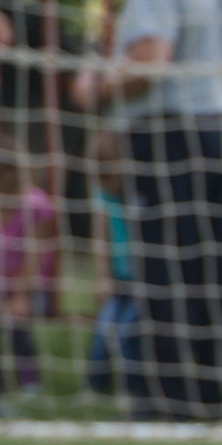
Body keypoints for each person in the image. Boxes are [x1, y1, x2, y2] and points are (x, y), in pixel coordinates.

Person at [71, 0, 222, 419]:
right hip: (212, 127)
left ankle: (166, 398)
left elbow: (151, 61)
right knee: (203, 268)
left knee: (163, 270)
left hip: (169, 136)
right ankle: (207, 393)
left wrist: (96, 89)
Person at [86, 129, 140, 397]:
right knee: (105, 328)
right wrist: (103, 277)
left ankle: (132, 387)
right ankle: (96, 386)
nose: (107, 183)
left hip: (142, 280)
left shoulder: (139, 193)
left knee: (129, 331)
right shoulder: (103, 196)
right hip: (118, 278)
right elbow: (100, 238)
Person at [0, 135, 55, 396]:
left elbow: (36, 255)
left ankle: (30, 381)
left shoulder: (35, 204)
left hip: (28, 285)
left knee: (17, 325)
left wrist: (21, 296)